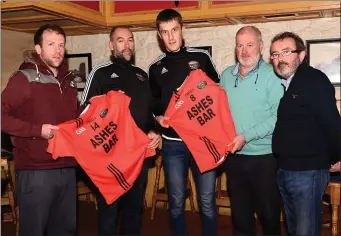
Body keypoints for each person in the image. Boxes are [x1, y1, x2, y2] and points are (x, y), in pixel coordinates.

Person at [80, 26, 161, 236]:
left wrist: (154, 131)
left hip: (138, 157)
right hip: (111, 158)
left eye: (130, 40)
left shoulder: (142, 75)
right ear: (111, 45)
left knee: (134, 211)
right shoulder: (100, 74)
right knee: (110, 211)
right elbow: (84, 114)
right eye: (121, 41)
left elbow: (151, 113)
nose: (127, 45)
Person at [1, 24, 78, 236]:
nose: (57, 50)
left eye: (61, 45)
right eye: (51, 44)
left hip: (68, 167)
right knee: (34, 230)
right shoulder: (23, 78)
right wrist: (37, 130)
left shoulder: (69, 83)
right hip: (36, 171)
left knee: (65, 230)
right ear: (38, 49)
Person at [149, 8, 220, 236]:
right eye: (165, 32)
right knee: (176, 201)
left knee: (207, 201)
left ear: (183, 29)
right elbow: (154, 105)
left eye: (174, 30)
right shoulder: (155, 68)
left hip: (203, 140)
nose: (170, 37)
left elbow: (218, 93)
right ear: (160, 36)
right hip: (173, 144)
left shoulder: (201, 58)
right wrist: (158, 118)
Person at [271, 31, 341, 236]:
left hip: (307, 172)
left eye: (286, 52)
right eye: (275, 54)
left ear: (301, 56)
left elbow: (333, 122)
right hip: (286, 170)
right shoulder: (290, 83)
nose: (279, 59)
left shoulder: (313, 80)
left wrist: (338, 156)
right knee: (294, 230)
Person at [219, 26, 283, 236]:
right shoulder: (227, 75)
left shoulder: (272, 75)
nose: (244, 51)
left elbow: (278, 117)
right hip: (235, 158)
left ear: (261, 46)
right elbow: (218, 113)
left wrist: (247, 136)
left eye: (249, 45)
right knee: (240, 218)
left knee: (269, 217)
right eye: (240, 45)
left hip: (265, 159)